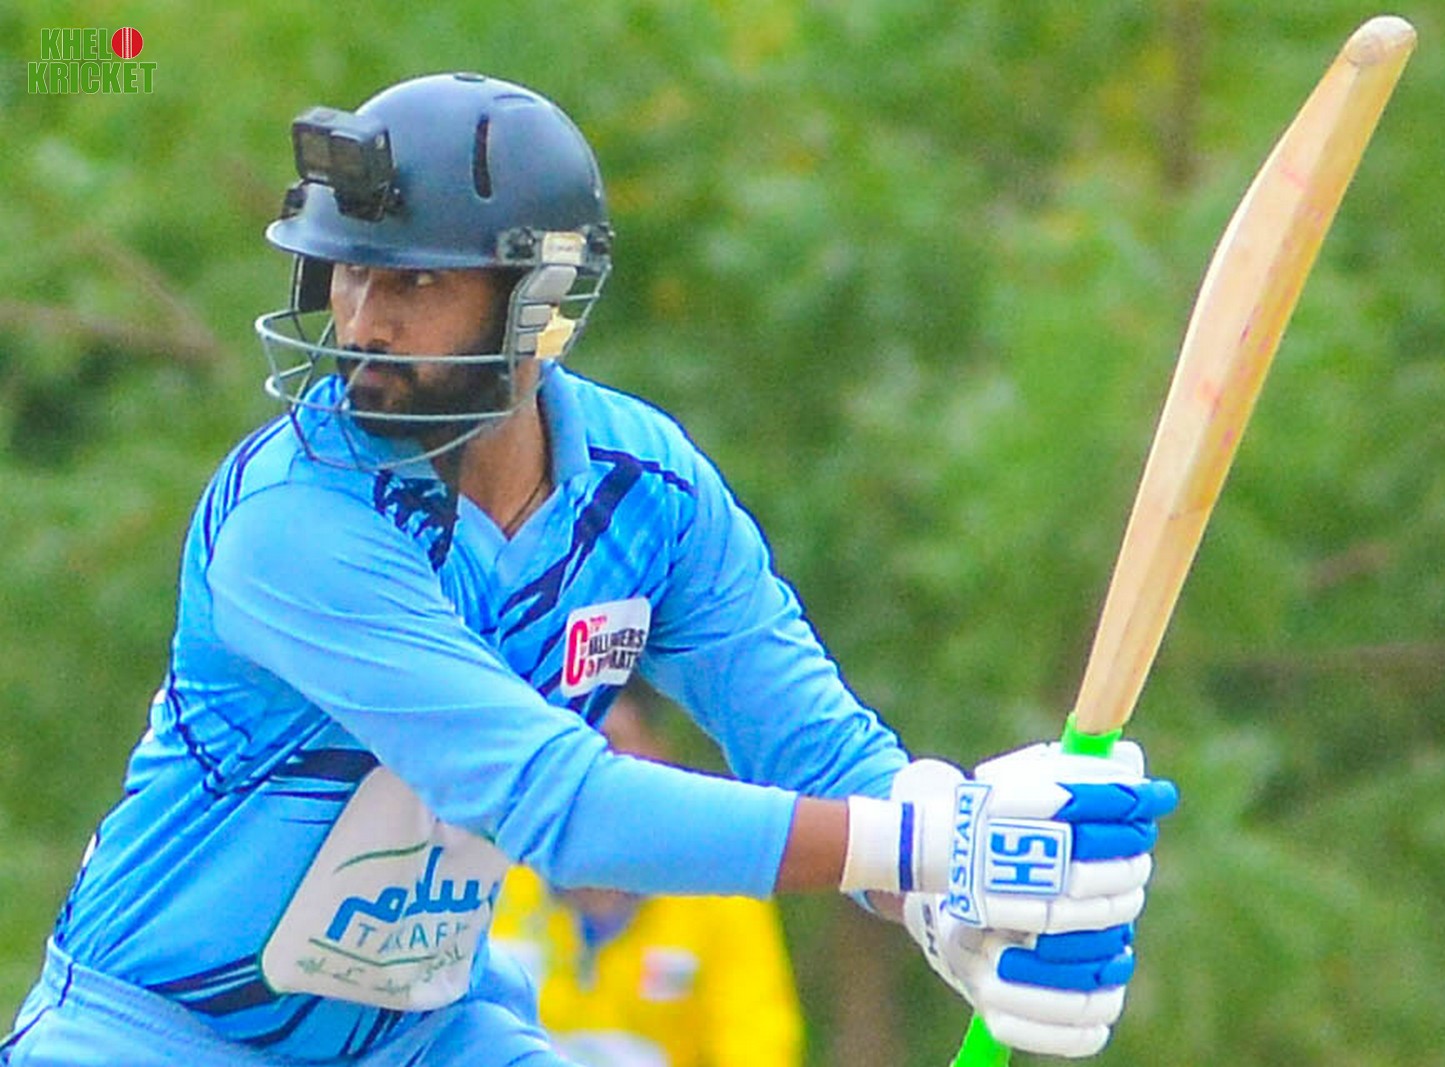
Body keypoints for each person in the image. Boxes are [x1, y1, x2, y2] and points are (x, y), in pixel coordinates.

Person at [0, 72, 1178, 1067]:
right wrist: (930, 844)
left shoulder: (645, 487)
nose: (361, 323)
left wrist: (944, 900)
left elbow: (821, 757)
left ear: (540, 302)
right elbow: (561, 804)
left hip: (420, 1035)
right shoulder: (294, 517)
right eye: (348, 275)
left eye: (413, 282)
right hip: (158, 1031)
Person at [489, 682, 804, 1067]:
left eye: (608, 750)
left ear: (656, 760)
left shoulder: (718, 895)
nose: (586, 778)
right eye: (566, 754)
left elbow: (758, 1045)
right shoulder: (491, 880)